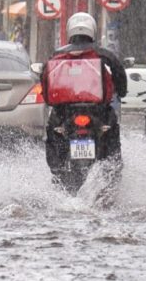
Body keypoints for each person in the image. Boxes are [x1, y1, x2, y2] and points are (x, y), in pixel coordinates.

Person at [42, 12, 128, 171]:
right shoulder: (103, 53)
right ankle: (112, 169)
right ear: (92, 30)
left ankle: (57, 169)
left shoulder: (57, 55)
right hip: (98, 111)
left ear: (70, 31)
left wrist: (50, 101)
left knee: (54, 132)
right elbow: (119, 73)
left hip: (64, 111)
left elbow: (45, 78)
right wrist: (121, 91)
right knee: (111, 132)